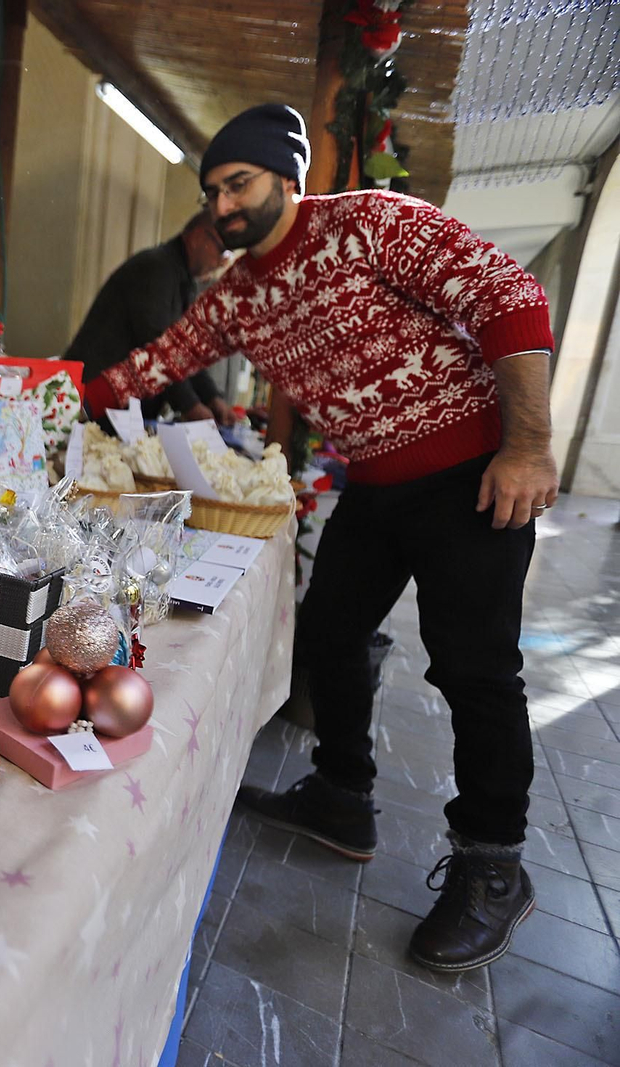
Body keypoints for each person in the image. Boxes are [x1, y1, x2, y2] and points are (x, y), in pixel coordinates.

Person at [77, 103, 558, 973]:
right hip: (375, 484)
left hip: (469, 473)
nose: (223, 205)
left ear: (285, 178)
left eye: (240, 183)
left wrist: (527, 446)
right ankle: (343, 793)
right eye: (212, 191)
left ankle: (495, 864)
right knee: (329, 632)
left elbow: (509, 298)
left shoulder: (370, 223)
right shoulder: (241, 294)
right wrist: (58, 387)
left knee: (474, 667)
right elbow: (158, 358)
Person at [62, 211, 237, 425]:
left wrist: (212, 397)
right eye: (223, 252)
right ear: (199, 237)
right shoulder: (156, 269)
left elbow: (186, 352)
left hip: (119, 409)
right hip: (96, 403)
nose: (221, 263)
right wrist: (191, 405)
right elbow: (158, 348)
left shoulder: (184, 280)